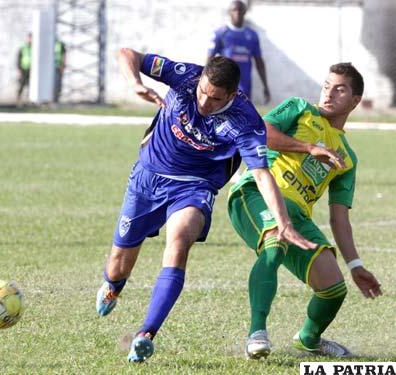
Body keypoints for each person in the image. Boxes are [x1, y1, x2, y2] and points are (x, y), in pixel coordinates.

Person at [95, 47, 316, 363]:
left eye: (214, 99)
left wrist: (283, 223)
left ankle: (146, 334)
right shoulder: (185, 76)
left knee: (179, 243)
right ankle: (113, 287)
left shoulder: (245, 120)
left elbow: (261, 172)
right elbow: (126, 53)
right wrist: (134, 82)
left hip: (194, 187)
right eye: (202, 93)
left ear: (231, 94)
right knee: (119, 263)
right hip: (148, 178)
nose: (203, 102)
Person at [228, 62, 383, 359]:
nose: (329, 93)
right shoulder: (299, 109)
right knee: (275, 244)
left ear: (354, 101)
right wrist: (309, 147)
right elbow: (261, 133)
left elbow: (340, 218)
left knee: (334, 288)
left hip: (297, 215)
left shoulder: (347, 158)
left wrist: (355, 265)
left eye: (339, 89)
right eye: (326, 86)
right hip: (256, 192)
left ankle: (309, 339)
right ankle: (256, 334)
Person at [208, 0, 270, 104]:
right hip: (225, 84)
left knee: (243, 116)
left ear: (245, 12)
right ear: (229, 12)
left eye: (240, 10)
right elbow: (210, 59)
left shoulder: (252, 35)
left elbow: (259, 62)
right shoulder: (221, 33)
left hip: (245, 87)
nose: (237, 13)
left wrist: (265, 85)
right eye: (234, 10)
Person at [16, 33, 32, 105]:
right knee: (21, 84)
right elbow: (18, 59)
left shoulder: (35, 48)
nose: (30, 40)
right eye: (29, 38)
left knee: (30, 85)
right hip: (23, 68)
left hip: (31, 69)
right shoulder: (23, 48)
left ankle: (30, 100)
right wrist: (19, 69)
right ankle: (18, 99)